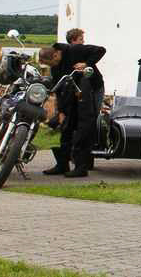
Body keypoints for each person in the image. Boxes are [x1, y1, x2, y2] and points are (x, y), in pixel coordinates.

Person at [39, 40, 106, 178]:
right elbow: (58, 90)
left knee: (85, 126)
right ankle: (62, 164)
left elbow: (100, 50)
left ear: (56, 55)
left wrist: (86, 63)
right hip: (72, 91)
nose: (51, 67)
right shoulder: (55, 68)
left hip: (91, 89)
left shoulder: (74, 50)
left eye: (51, 63)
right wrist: (61, 111)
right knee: (67, 127)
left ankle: (82, 167)